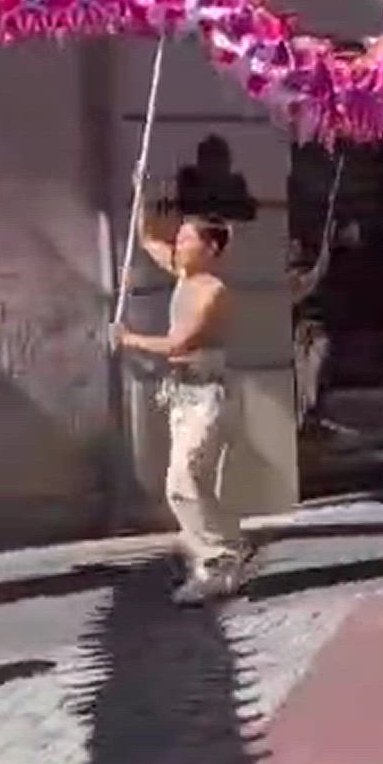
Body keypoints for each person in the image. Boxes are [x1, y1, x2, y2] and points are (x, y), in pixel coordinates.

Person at [117, 205, 249, 605]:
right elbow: (146, 239)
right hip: (183, 395)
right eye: (178, 238)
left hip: (209, 395)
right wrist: (142, 198)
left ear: (210, 248)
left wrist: (128, 339)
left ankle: (217, 559)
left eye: (187, 239)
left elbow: (180, 344)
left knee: (184, 481)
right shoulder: (183, 274)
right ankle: (226, 551)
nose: (178, 245)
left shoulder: (213, 291)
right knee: (193, 483)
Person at [289, 236, 333, 431]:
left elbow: (319, 271)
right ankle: (302, 417)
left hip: (315, 331)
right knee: (302, 374)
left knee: (313, 372)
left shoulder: (307, 275)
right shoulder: (291, 279)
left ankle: (310, 412)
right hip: (299, 332)